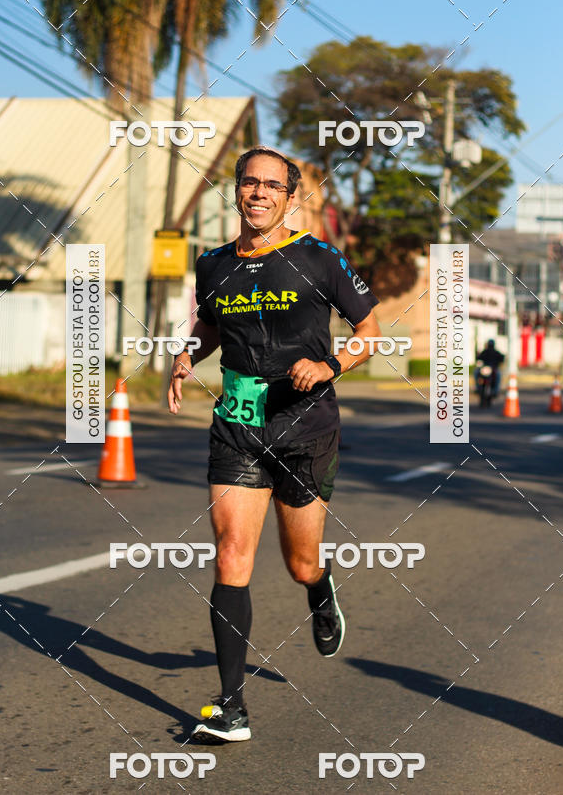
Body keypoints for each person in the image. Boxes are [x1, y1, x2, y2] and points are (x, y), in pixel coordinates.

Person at [167, 146, 381, 743]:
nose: (258, 193)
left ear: (290, 197)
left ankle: (319, 586)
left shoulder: (317, 257)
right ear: (237, 191)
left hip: (303, 427)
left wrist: (333, 363)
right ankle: (230, 706)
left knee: (298, 561)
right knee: (232, 553)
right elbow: (210, 324)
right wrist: (188, 355)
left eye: (271, 186)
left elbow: (371, 331)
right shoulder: (212, 265)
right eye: (248, 183)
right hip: (237, 422)